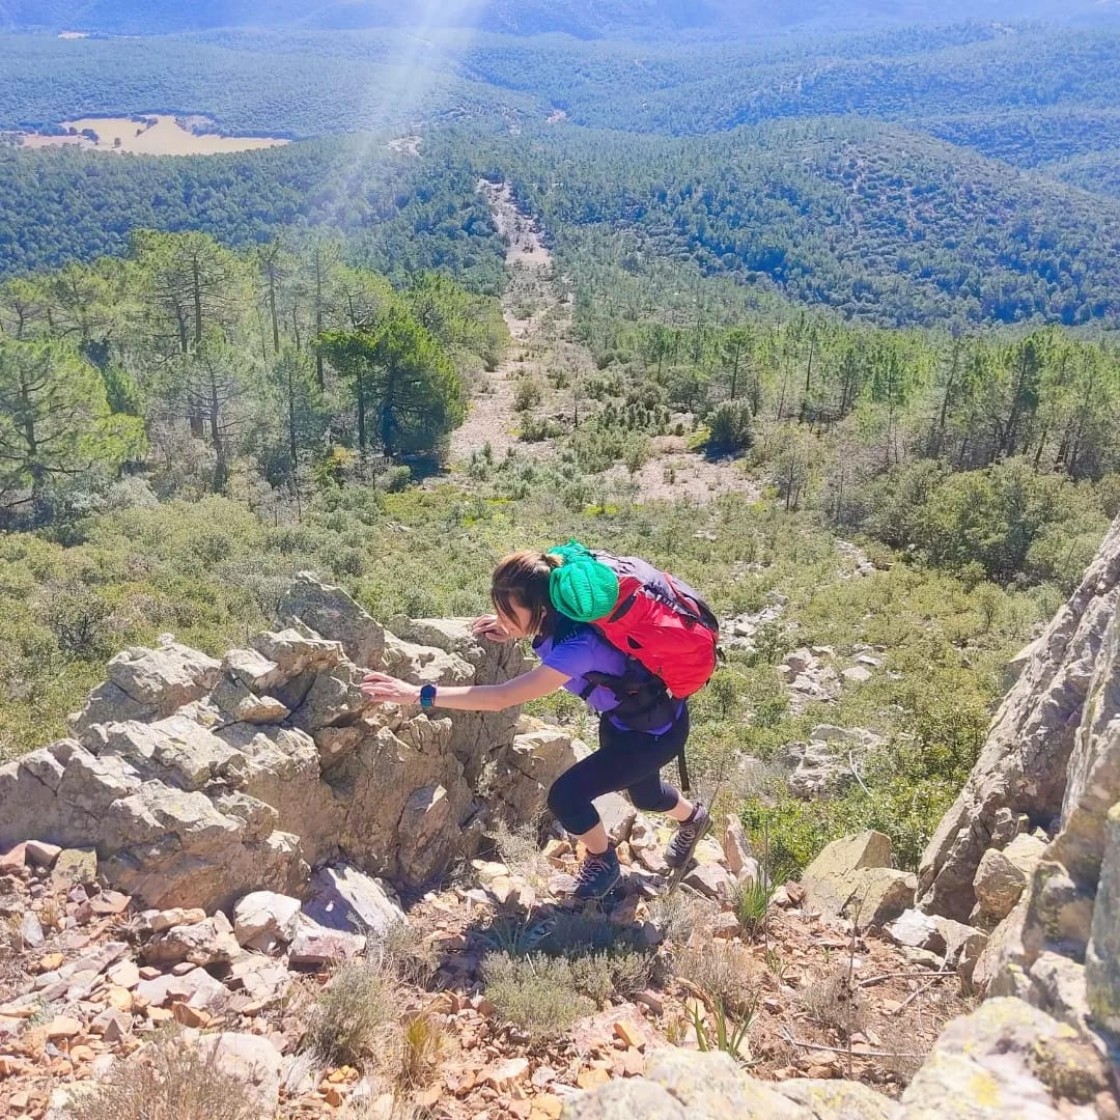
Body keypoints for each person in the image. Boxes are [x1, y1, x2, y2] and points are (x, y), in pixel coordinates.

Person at [359, 548, 711, 901]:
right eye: (500, 610)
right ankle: (694, 818)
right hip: (634, 720)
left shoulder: (579, 647)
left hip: (652, 736)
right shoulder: (566, 617)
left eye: (510, 611)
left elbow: (501, 697)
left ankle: (603, 863)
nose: (502, 618)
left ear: (542, 607)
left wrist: (419, 694)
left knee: (567, 797)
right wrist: (510, 626)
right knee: (645, 794)